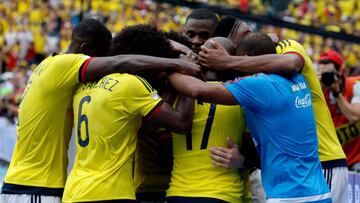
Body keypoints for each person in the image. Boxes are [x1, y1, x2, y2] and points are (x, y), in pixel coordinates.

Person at [0, 19, 200, 203]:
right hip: (37, 187)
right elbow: (120, 62)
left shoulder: (53, 72)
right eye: (100, 56)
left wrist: (164, 44)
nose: (103, 63)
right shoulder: (65, 65)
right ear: (85, 49)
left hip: (46, 186)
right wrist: (178, 63)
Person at [168, 33, 331, 203]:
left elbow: (198, 91)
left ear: (246, 59)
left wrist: (173, 68)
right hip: (319, 191)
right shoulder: (298, 79)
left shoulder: (259, 85)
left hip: (289, 196)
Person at [200, 15, 347, 203]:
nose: (256, 35)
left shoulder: (285, 48)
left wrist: (227, 61)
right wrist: (242, 160)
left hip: (320, 164)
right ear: (231, 47)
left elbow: (291, 64)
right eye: (246, 34)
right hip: (297, 177)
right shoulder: (247, 85)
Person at [62, 25, 195, 202]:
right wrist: (190, 75)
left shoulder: (83, 86)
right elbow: (181, 122)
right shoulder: (131, 85)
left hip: (74, 190)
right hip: (110, 192)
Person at [166, 37, 250, 203]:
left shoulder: (173, 92)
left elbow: (163, 155)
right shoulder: (244, 95)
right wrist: (243, 160)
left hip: (178, 193)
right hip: (223, 194)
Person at [318, 50, 360, 173]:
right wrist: (317, 87)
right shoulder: (318, 90)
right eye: (323, 74)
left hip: (355, 158)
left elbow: (355, 116)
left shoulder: (355, 86)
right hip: (331, 159)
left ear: (340, 72)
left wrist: (336, 93)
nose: (327, 78)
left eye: (329, 74)